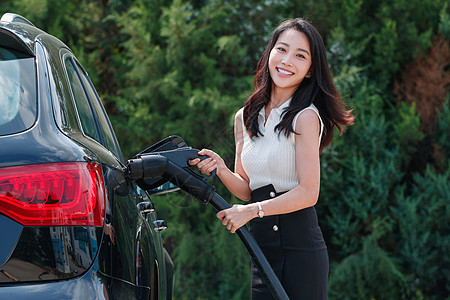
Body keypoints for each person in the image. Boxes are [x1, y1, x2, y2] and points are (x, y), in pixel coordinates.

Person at [190, 18, 354, 300]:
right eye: (282, 49)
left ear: (310, 70)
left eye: (300, 56)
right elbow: (246, 187)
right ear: (270, 53)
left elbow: (308, 192)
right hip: (263, 249)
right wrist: (220, 167)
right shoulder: (245, 116)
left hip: (301, 250)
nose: (287, 61)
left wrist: (251, 211)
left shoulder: (306, 117)